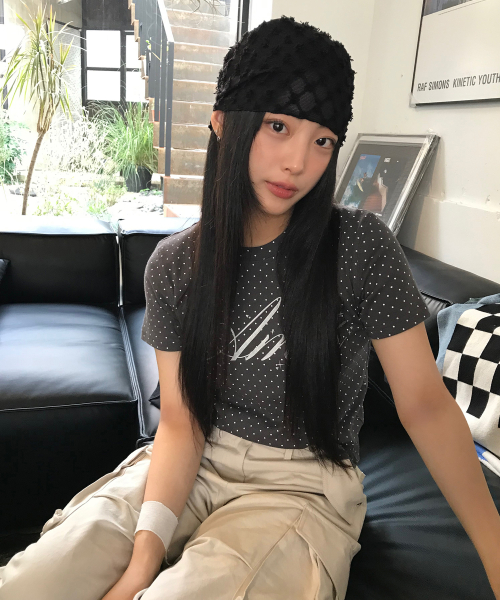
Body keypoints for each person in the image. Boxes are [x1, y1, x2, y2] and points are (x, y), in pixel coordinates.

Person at [2, 15, 500, 600]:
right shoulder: (175, 264)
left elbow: (427, 408)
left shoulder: (361, 246)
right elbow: (181, 424)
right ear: (222, 122)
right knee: (35, 581)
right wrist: (142, 561)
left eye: (322, 140)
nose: (298, 163)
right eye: (277, 126)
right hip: (189, 464)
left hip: (303, 486)